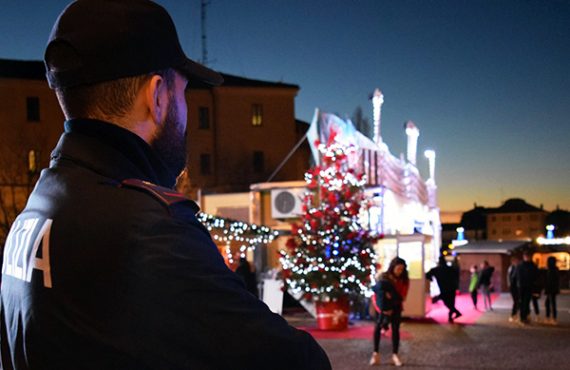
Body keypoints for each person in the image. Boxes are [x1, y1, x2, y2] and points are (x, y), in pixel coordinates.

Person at [0, 1, 331, 369]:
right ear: (157, 96)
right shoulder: (149, 230)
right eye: (183, 93)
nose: (185, 113)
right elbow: (299, 362)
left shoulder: (33, 214)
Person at [370, 257, 409, 367]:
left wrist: (392, 303)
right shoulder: (384, 277)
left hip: (396, 308)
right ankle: (375, 354)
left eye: (402, 269)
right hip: (381, 308)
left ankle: (395, 355)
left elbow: (403, 295)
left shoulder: (404, 279)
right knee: (377, 328)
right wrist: (381, 309)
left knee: (396, 330)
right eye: (398, 269)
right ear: (393, 267)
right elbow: (376, 295)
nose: (400, 271)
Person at [426, 256, 462, 323]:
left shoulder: (435, 269)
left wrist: (431, 279)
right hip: (452, 288)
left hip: (444, 289)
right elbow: (456, 277)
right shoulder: (451, 269)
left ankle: (455, 314)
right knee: (451, 303)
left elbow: (427, 275)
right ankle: (451, 317)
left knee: (447, 303)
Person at [516, 251, 538, 324]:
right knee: (523, 302)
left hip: (526, 286)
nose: (527, 258)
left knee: (526, 302)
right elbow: (519, 276)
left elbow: (535, 277)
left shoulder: (524, 265)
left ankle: (524, 316)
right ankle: (523, 317)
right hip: (524, 286)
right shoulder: (530, 265)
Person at [544, 256, 560, 325]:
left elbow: (549, 281)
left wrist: (546, 289)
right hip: (553, 289)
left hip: (550, 289)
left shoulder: (550, 269)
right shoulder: (555, 269)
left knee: (550, 303)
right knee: (550, 303)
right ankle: (551, 318)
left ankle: (552, 318)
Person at [507, 256, 520, 322]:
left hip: (518, 287)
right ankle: (513, 314)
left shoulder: (518, 267)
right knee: (516, 301)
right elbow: (509, 277)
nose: (516, 262)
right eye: (515, 261)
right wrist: (509, 285)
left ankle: (515, 314)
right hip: (513, 287)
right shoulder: (511, 268)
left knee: (517, 301)